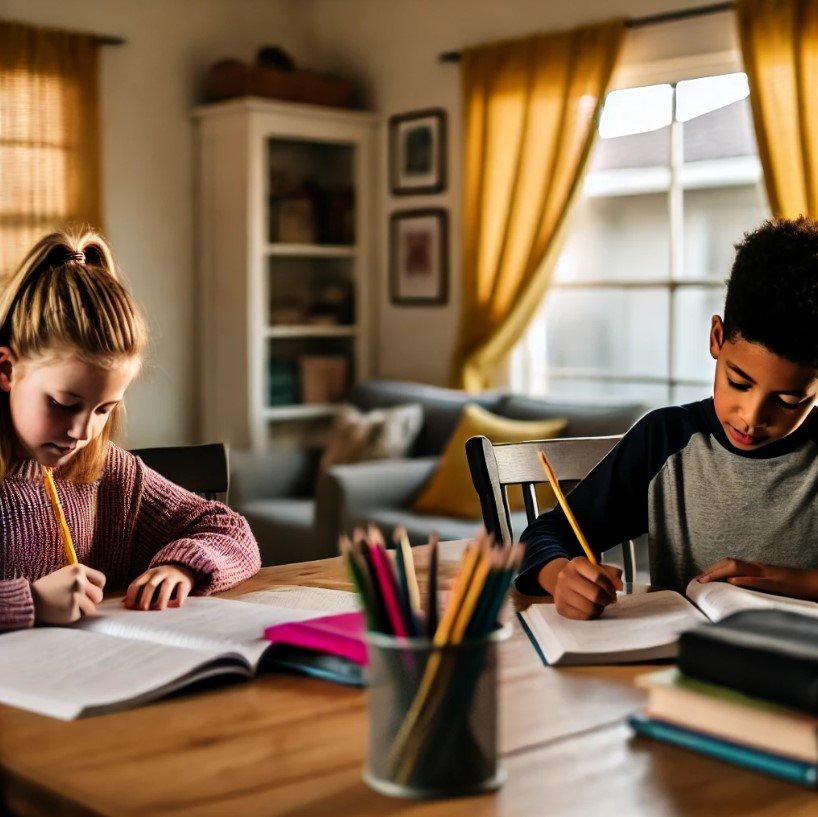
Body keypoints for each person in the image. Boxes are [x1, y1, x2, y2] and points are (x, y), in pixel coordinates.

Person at [516, 217, 818, 620]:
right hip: (674, 670)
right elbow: (545, 534)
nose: (751, 417)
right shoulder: (665, 440)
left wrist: (792, 581)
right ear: (716, 338)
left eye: (787, 401)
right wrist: (560, 577)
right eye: (738, 383)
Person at [0, 229, 261, 631]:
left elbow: (231, 530)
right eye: (64, 405)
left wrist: (182, 565)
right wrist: (30, 601)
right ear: (7, 370)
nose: (82, 431)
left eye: (104, 409)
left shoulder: (108, 472)